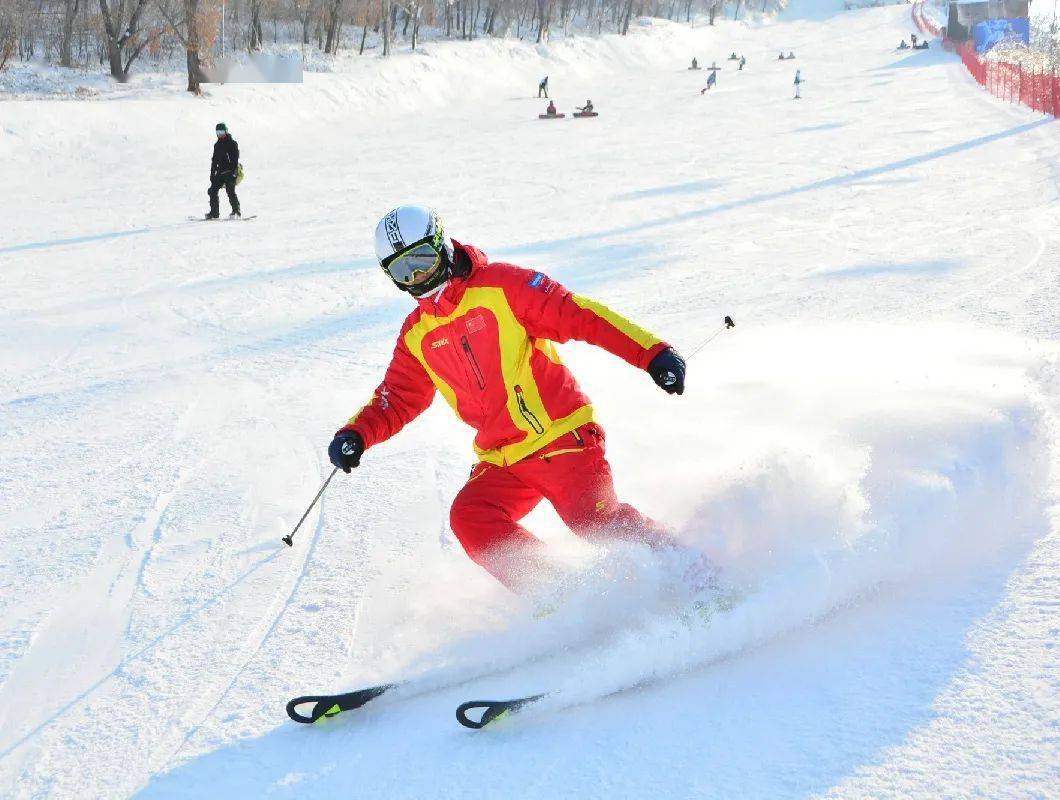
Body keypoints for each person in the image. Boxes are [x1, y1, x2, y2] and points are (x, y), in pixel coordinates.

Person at [328, 206, 689, 593]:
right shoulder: (418, 333)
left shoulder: (502, 287)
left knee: (594, 521)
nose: (417, 276)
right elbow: (399, 396)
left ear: (441, 245)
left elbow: (579, 315)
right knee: (471, 517)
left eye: (422, 260)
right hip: (505, 458)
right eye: (403, 271)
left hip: (560, 437)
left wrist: (651, 354)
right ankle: (563, 596)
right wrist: (358, 433)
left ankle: (690, 573)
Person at [206, 122, 240, 220]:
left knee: (230, 189)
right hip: (220, 173)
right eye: (218, 132)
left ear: (226, 131)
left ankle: (236, 211)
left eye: (221, 131)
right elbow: (214, 161)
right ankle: (214, 213)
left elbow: (235, 158)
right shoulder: (217, 145)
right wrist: (212, 174)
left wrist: (233, 172)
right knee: (212, 190)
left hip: (230, 171)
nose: (220, 134)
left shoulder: (232, 143)